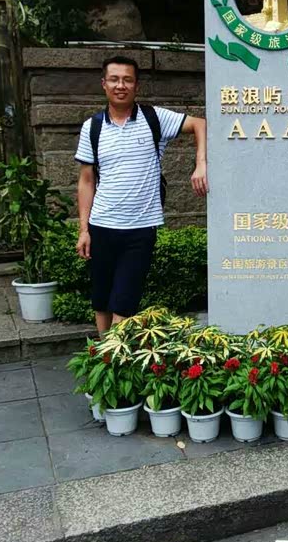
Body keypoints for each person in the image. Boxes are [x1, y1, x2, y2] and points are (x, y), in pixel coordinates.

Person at [74, 55, 208, 335]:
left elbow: (200, 124)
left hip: (140, 230)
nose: (120, 85)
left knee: (124, 302)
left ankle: (113, 355)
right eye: (114, 79)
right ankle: (104, 355)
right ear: (104, 84)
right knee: (101, 299)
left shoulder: (153, 118)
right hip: (101, 226)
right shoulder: (92, 127)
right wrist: (84, 230)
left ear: (136, 85)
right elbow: (86, 181)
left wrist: (201, 164)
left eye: (127, 80)